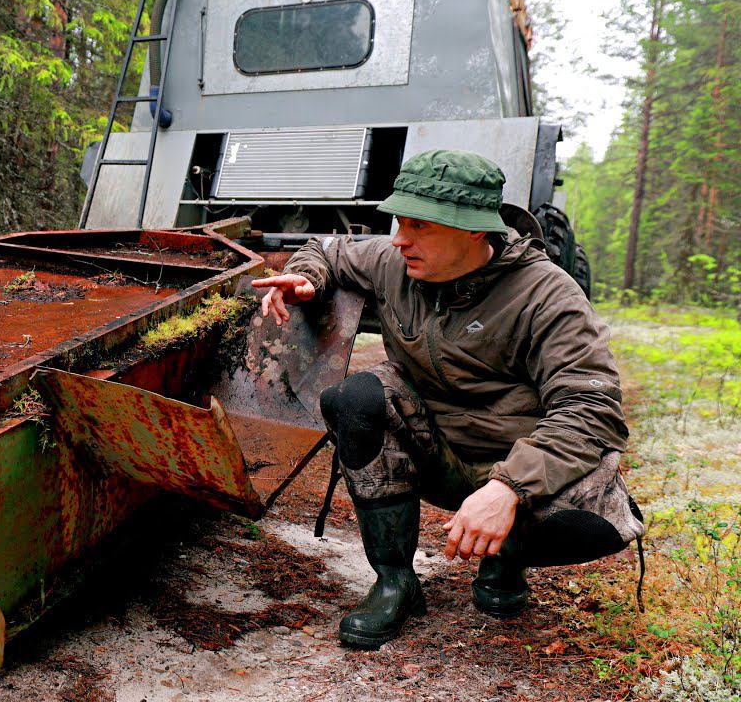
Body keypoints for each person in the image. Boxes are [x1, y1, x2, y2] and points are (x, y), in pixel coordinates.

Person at [251, 149, 644, 648]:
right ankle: (395, 582)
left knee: (591, 526)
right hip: (435, 452)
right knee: (354, 398)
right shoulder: (393, 262)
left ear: (475, 231)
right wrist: (308, 277)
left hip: (516, 462)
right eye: (400, 221)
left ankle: (505, 557)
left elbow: (591, 409)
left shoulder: (547, 294)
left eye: (420, 226)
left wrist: (508, 489)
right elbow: (326, 250)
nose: (400, 238)